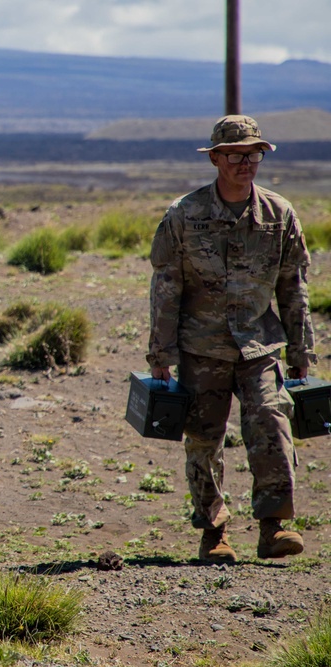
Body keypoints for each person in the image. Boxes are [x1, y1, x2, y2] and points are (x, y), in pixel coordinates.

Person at [147, 114, 314, 564]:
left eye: (254, 154)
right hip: (202, 348)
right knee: (204, 440)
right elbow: (167, 288)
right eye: (237, 155)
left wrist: (301, 350)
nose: (247, 163)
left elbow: (293, 287)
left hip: (260, 346)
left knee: (272, 425)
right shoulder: (185, 214)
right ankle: (213, 532)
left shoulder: (279, 214)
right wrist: (160, 353)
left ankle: (274, 526)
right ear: (216, 159)